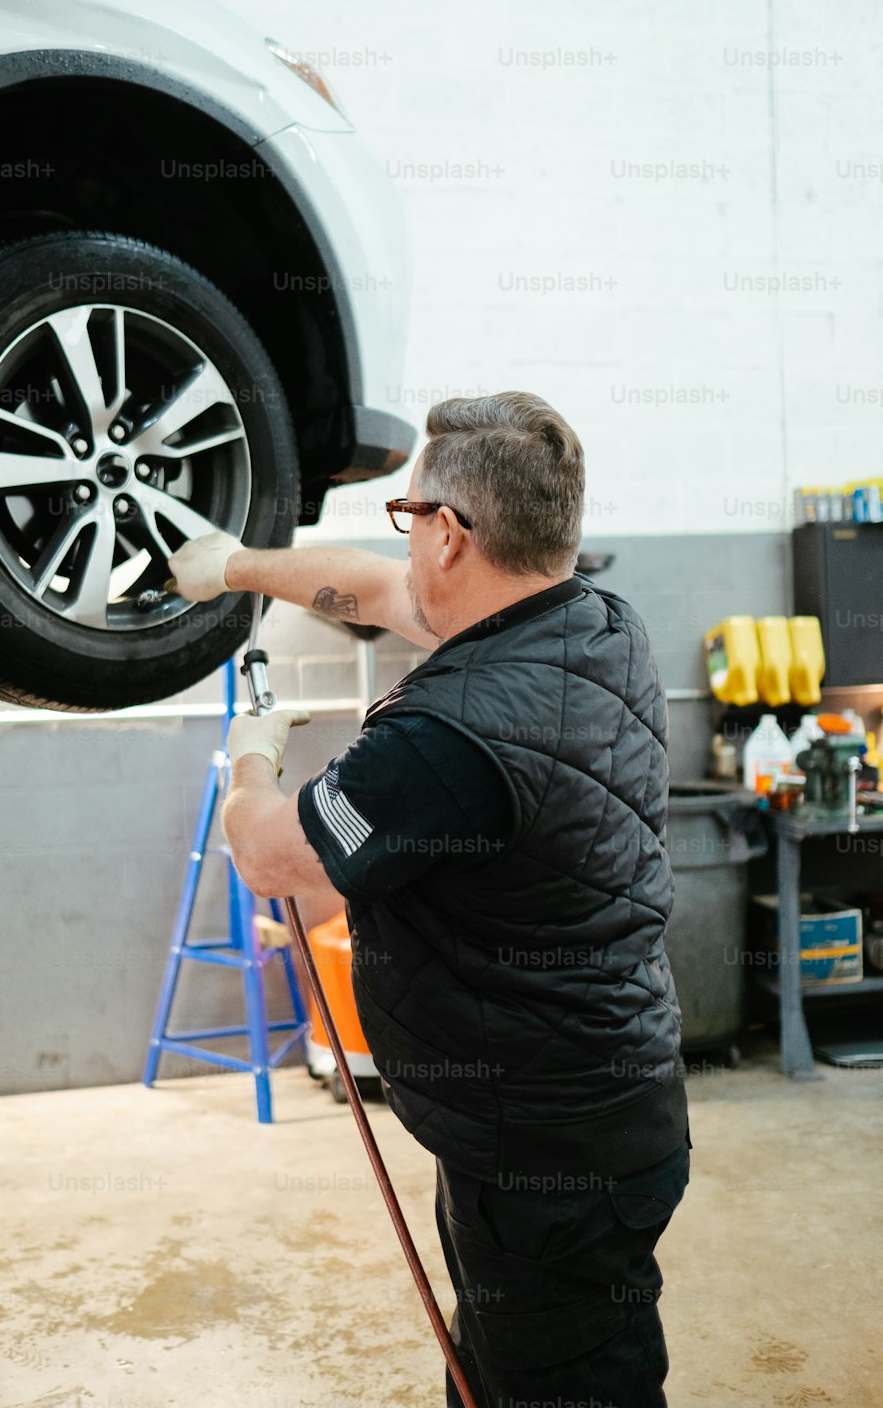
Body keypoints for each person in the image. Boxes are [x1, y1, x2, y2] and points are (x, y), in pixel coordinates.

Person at [167, 391, 690, 1408]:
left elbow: (275, 860)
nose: (401, 547)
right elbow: (366, 590)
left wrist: (250, 765)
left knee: (565, 1383)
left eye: (409, 521)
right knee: (510, 1360)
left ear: (451, 535)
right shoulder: (592, 623)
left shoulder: (442, 742)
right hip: (586, 1109)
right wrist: (234, 566)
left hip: (546, 1147)